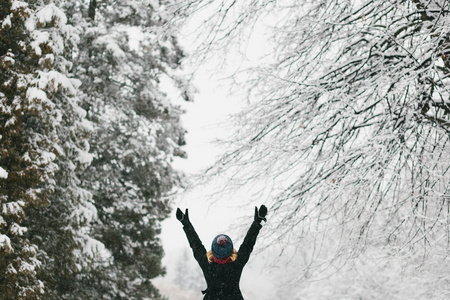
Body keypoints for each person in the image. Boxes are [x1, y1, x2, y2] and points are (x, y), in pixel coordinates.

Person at [176, 205, 268, 300]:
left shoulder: (207, 264)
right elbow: (248, 244)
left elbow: (196, 244)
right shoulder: (237, 263)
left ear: (213, 250)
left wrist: (186, 224)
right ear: (231, 251)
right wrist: (257, 222)